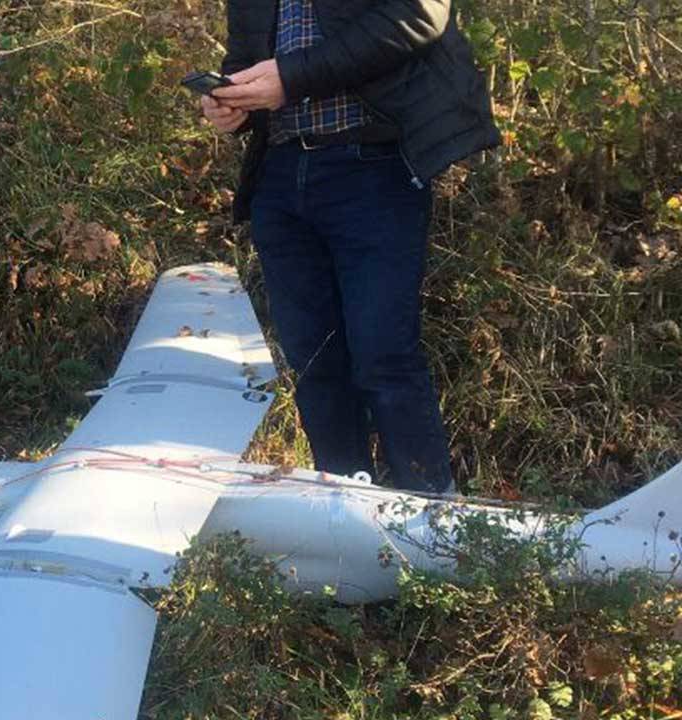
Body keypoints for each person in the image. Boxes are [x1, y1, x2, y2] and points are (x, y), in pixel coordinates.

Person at [201, 0, 499, 493]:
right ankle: (342, 508)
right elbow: (245, 57)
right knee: (315, 362)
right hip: (279, 174)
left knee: (384, 357)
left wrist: (291, 78)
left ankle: (433, 515)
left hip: (373, 166)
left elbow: (420, 13)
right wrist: (231, 102)